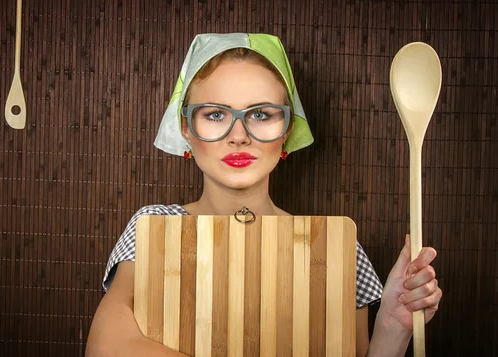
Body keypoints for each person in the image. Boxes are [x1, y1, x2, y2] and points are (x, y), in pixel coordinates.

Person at [86, 33, 442, 357]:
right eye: (214, 114)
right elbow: (106, 348)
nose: (238, 135)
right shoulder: (154, 227)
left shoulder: (336, 246)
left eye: (260, 114)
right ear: (185, 129)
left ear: (287, 128)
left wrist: (393, 328)